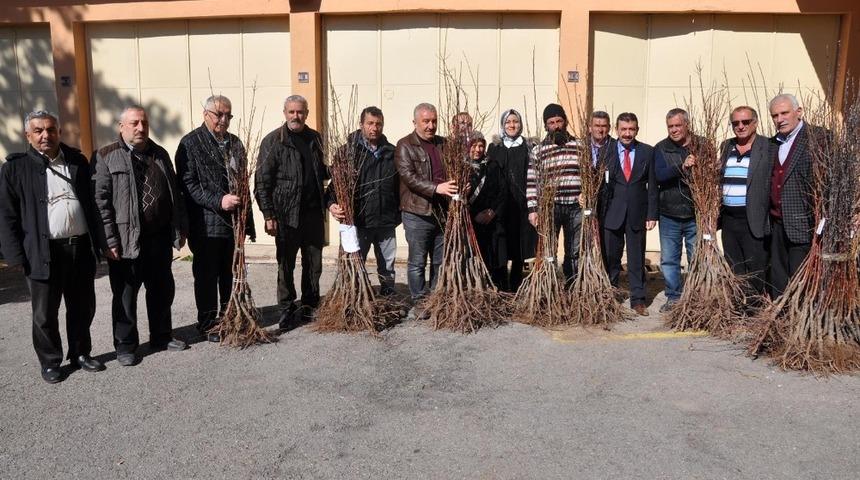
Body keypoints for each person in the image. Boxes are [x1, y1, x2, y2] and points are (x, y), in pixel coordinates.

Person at [0, 110, 103, 383]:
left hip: (79, 248)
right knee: (45, 312)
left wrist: (100, 245)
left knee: (82, 306)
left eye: (51, 129)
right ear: (28, 135)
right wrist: (14, 255)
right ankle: (50, 362)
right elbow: (6, 215)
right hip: (43, 252)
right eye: (38, 130)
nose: (46, 135)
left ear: (59, 132)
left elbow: (92, 207)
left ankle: (80, 353)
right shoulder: (15, 168)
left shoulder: (77, 162)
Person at [92, 106, 189, 366]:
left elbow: (175, 195)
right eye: (134, 123)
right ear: (121, 126)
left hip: (158, 238)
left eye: (144, 122)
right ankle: (125, 346)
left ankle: (161, 335)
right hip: (125, 241)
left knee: (161, 290)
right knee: (125, 295)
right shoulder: (106, 156)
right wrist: (109, 240)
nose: (140, 128)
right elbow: (100, 203)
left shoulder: (160, 154)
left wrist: (178, 230)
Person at [176, 95, 255, 343]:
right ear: (205, 114)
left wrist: (248, 222)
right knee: (207, 275)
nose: (224, 120)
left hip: (233, 225)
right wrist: (218, 200)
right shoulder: (190, 144)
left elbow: (243, 184)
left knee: (230, 273)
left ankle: (230, 315)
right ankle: (209, 322)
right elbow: (188, 185)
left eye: (228, 115)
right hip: (205, 223)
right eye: (219, 114)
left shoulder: (234, 143)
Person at [256, 95, 327, 327]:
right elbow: (262, 182)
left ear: (306, 113)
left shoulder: (315, 138)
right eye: (292, 112)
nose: (296, 116)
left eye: (300, 112)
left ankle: (309, 305)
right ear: (285, 112)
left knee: (313, 264)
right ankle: (286, 308)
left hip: (313, 214)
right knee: (285, 264)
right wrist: (269, 215)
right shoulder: (273, 141)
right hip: (286, 215)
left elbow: (320, 171)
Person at [326, 106, 399, 296]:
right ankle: (353, 297)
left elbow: (400, 186)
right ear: (361, 124)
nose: (374, 128)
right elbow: (335, 186)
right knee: (354, 262)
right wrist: (331, 205)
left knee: (388, 265)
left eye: (378, 124)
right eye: (370, 123)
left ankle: (388, 295)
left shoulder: (392, 153)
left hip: (386, 220)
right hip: (359, 221)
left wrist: (397, 214)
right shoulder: (347, 153)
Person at [396, 103, 455, 309]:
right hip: (417, 213)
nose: (431, 126)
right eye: (426, 121)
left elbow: (454, 169)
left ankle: (435, 299)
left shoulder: (444, 144)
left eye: (434, 121)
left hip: (442, 212)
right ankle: (420, 302)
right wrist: (437, 188)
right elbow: (409, 177)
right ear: (415, 122)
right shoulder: (405, 145)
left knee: (439, 261)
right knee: (417, 261)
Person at [600, 112, 657, 316]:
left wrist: (652, 215)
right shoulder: (606, 151)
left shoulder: (647, 152)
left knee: (636, 258)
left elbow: (652, 187)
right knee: (611, 258)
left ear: (637, 130)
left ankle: (638, 299)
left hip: (637, 214)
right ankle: (610, 295)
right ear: (617, 130)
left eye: (631, 129)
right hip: (612, 215)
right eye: (623, 129)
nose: (627, 133)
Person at [768, 93, 818, 297]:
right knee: (778, 274)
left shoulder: (819, 138)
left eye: (784, 113)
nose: (780, 119)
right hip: (776, 222)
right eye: (775, 115)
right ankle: (780, 315)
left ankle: (798, 316)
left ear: (799, 111)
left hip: (804, 223)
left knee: (800, 276)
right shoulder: (772, 143)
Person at [526, 103, 583, 283]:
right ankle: (549, 284)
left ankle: (571, 283)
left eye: (559, 121)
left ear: (565, 121)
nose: (556, 125)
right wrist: (533, 209)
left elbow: (588, 175)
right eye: (551, 122)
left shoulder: (580, 146)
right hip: (551, 207)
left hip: (575, 207)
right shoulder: (539, 150)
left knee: (574, 249)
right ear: (546, 125)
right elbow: (532, 181)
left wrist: (586, 193)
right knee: (549, 249)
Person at [719, 106, 772, 296]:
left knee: (756, 265)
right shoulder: (727, 146)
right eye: (735, 123)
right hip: (729, 219)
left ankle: (754, 308)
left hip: (753, 217)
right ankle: (739, 305)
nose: (740, 126)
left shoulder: (767, 146)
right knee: (735, 265)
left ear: (755, 123)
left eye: (745, 122)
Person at [654, 108, 698, 311]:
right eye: (670, 126)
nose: (674, 130)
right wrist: (683, 165)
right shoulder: (661, 148)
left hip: (695, 212)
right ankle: (674, 297)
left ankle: (696, 296)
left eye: (677, 125)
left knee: (696, 257)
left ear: (687, 125)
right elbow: (660, 176)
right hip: (669, 212)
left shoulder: (702, 145)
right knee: (670, 259)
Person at [487, 109, 535, 292]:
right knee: (501, 244)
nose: (512, 125)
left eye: (515, 121)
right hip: (501, 207)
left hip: (522, 208)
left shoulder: (528, 147)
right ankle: (500, 284)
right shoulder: (494, 148)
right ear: (502, 125)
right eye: (508, 122)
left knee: (520, 247)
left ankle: (517, 284)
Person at [468, 135, 507, 287]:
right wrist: (473, 215)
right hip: (471, 221)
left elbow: (503, 192)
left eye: (481, 146)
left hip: (492, 220)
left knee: (495, 257)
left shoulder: (493, 166)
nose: (478, 150)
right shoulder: (462, 168)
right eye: (474, 145)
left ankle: (497, 286)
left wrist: (492, 212)